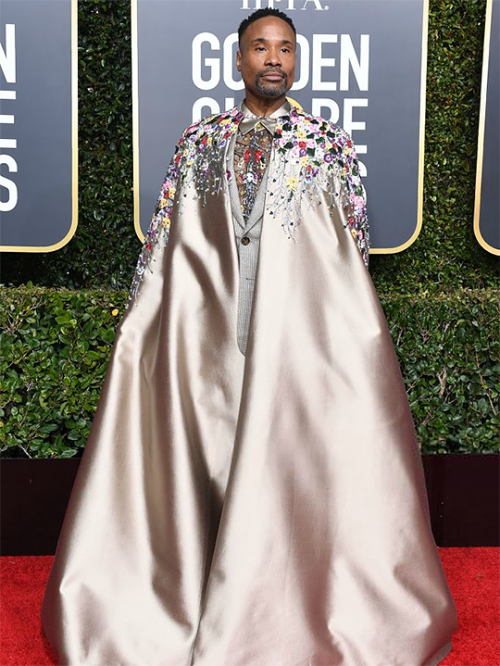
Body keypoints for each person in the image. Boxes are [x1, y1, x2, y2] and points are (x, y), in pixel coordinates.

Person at [41, 8, 458, 666]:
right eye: (260, 48)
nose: (273, 59)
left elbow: (352, 254)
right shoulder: (199, 142)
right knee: (202, 461)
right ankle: (189, 595)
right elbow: (164, 251)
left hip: (293, 356)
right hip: (205, 353)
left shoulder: (329, 144)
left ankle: (287, 605)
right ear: (236, 61)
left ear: (297, 63)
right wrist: (144, 333)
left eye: (285, 50)